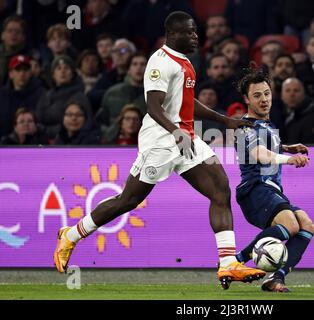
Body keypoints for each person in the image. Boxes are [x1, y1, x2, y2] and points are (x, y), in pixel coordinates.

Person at [53, 11, 265, 289]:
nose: (195, 36)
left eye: (195, 31)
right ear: (172, 34)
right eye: (189, 32)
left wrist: (224, 120)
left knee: (220, 188)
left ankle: (228, 264)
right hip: (160, 141)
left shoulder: (186, 61)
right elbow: (153, 106)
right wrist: (175, 131)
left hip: (185, 136)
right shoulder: (159, 62)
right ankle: (71, 234)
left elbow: (187, 103)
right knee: (128, 200)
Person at [233, 69, 314, 292]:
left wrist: (287, 146)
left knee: (306, 225)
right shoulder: (244, 128)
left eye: (267, 93)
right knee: (290, 225)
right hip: (254, 189)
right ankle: (235, 262)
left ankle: (276, 277)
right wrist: (289, 159)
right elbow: (260, 153)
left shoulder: (268, 125)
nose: (264, 99)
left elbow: (269, 147)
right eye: (257, 95)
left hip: (272, 190)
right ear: (247, 99)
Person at [0, 54, 45, 138]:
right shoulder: (2, 95)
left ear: (30, 73)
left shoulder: (41, 93)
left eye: (25, 70)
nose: (22, 74)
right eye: (18, 70)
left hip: (33, 144)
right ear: (11, 74)